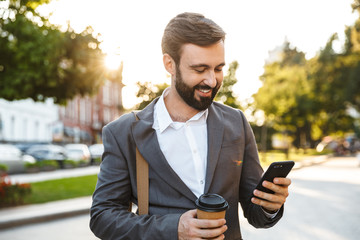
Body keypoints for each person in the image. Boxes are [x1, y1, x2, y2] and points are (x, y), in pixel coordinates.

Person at [90, 12, 291, 240]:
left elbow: (256, 214)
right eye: (199, 69)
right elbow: (102, 217)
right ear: (170, 64)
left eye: (218, 69)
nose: (212, 81)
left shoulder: (237, 123)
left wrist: (270, 205)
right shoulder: (124, 132)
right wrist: (173, 228)